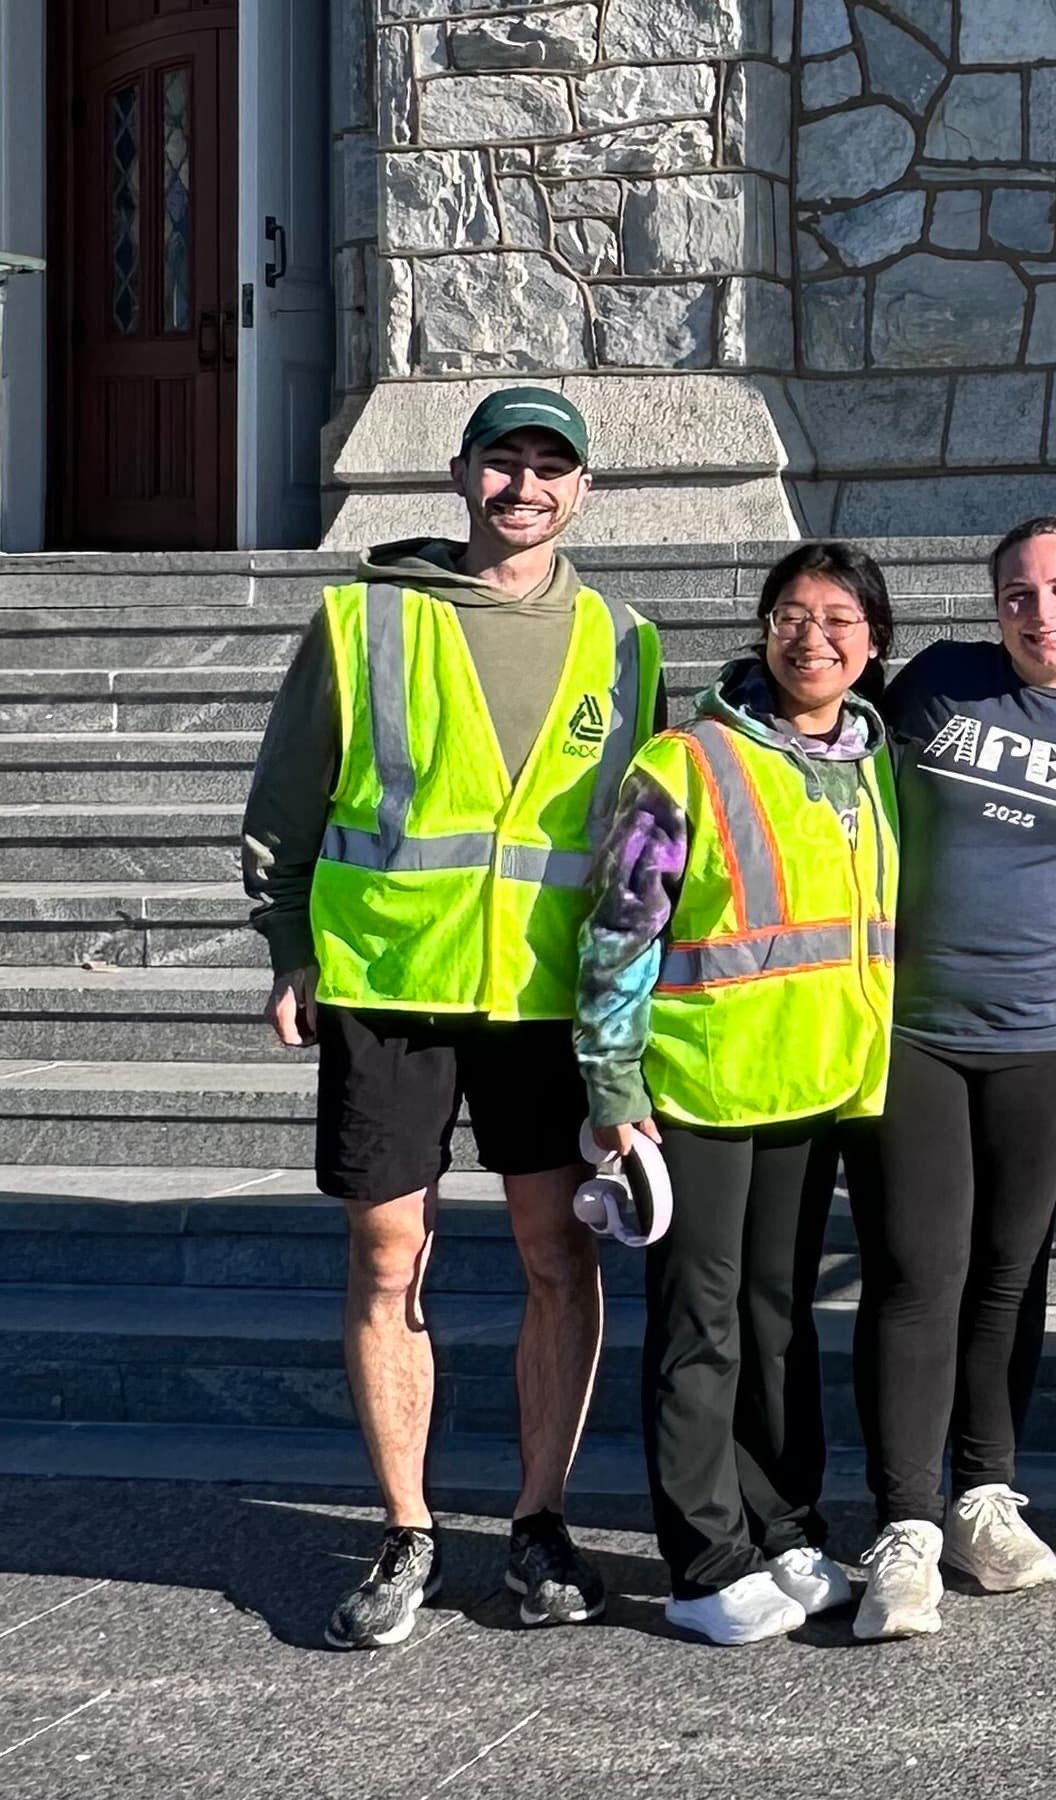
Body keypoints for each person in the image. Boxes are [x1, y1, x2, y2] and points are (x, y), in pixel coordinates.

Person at [239, 387, 659, 1649]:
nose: (524, 488)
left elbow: (640, 854)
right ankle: (407, 1528)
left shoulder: (624, 642)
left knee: (555, 1255)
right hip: (388, 986)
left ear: (581, 490)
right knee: (385, 1258)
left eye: (550, 467)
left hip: (544, 1004)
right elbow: (287, 798)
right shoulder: (363, 616)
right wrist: (289, 941)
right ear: (461, 475)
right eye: (502, 463)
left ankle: (538, 1522)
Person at [842, 515, 1056, 1641]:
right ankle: (904, 1526)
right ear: (992, 609)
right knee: (913, 1273)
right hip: (915, 1031)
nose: (1044, 613)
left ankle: (986, 1496)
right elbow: (833, 766)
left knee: (1008, 1273)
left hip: (1044, 1036)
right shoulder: (939, 683)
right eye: (1018, 596)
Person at [575, 543, 897, 1645]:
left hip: (811, 1087)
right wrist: (612, 1085)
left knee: (776, 1324)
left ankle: (785, 1525)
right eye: (792, 616)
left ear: (873, 641)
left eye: (840, 619)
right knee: (699, 1327)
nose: (814, 637)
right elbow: (619, 931)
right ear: (762, 630)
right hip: (698, 1089)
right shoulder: (686, 760)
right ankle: (704, 1557)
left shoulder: (868, 757)